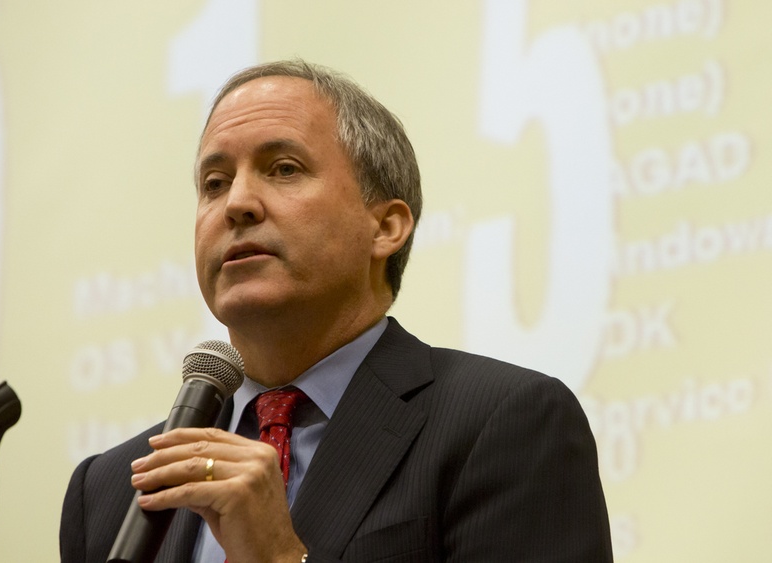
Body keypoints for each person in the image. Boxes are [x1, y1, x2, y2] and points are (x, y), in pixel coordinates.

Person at [60, 59, 613, 562]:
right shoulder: (108, 491)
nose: (237, 204)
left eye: (283, 169)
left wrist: (281, 558)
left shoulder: (503, 423)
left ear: (385, 227)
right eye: (214, 183)